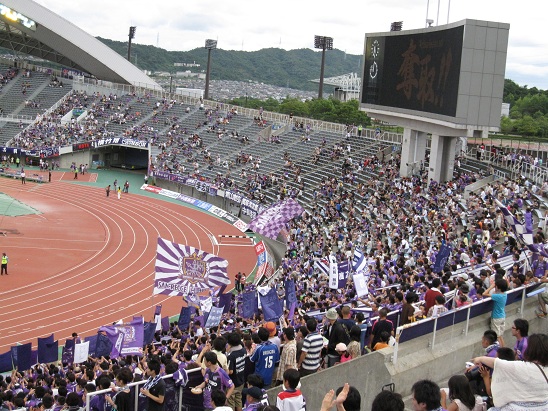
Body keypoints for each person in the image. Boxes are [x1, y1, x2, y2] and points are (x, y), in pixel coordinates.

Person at [472, 333, 548, 410]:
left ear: (531, 350)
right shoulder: (544, 368)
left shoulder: (523, 367)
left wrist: (480, 359)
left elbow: (497, 363)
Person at [482, 279, 508, 347]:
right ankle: (504, 349)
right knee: (500, 336)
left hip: (496, 318)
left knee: (497, 336)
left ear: (498, 287)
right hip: (502, 316)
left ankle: (502, 351)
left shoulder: (498, 296)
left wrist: (491, 287)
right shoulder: (504, 294)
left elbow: (484, 293)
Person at [226, 332, 247, 411]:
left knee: (231, 402)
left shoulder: (231, 355)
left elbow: (230, 371)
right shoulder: (243, 350)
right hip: (241, 380)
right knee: (238, 400)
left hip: (233, 383)